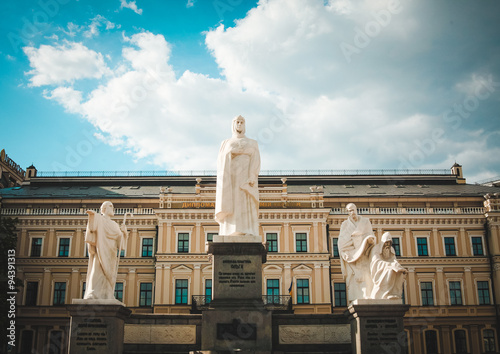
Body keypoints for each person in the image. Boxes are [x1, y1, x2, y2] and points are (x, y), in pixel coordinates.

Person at [215, 115, 261, 236]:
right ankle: (230, 230)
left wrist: (252, 175)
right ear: (233, 124)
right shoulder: (226, 143)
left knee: (245, 201)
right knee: (233, 201)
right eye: (237, 122)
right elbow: (220, 162)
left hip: (246, 178)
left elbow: (256, 159)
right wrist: (230, 153)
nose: (239, 124)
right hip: (232, 179)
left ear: (244, 125)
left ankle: (247, 229)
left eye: (241, 122)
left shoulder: (252, 143)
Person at [84, 201, 128, 300]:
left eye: (112, 206)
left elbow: (120, 244)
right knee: (97, 270)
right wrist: (92, 215)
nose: (113, 208)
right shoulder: (99, 219)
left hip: (111, 252)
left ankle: (108, 294)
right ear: (103, 209)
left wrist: (124, 233)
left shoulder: (115, 225)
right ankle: (93, 293)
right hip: (101, 248)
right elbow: (92, 228)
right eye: (110, 206)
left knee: (110, 274)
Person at [338, 203, 376, 302]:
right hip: (351, 255)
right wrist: (346, 250)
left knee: (366, 277)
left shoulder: (365, 221)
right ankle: (355, 298)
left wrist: (370, 240)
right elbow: (341, 242)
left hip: (364, 254)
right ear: (347, 213)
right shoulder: (345, 225)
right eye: (349, 211)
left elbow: (371, 235)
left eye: (353, 209)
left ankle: (368, 296)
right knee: (355, 279)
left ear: (356, 209)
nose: (352, 212)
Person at [369, 232, 407, 300]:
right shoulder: (376, 248)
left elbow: (394, 260)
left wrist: (397, 266)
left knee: (399, 273)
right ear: (383, 242)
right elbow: (376, 262)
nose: (388, 245)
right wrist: (390, 265)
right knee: (390, 271)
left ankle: (395, 293)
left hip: (387, 267)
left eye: (389, 243)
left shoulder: (391, 249)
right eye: (386, 242)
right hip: (379, 270)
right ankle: (385, 294)